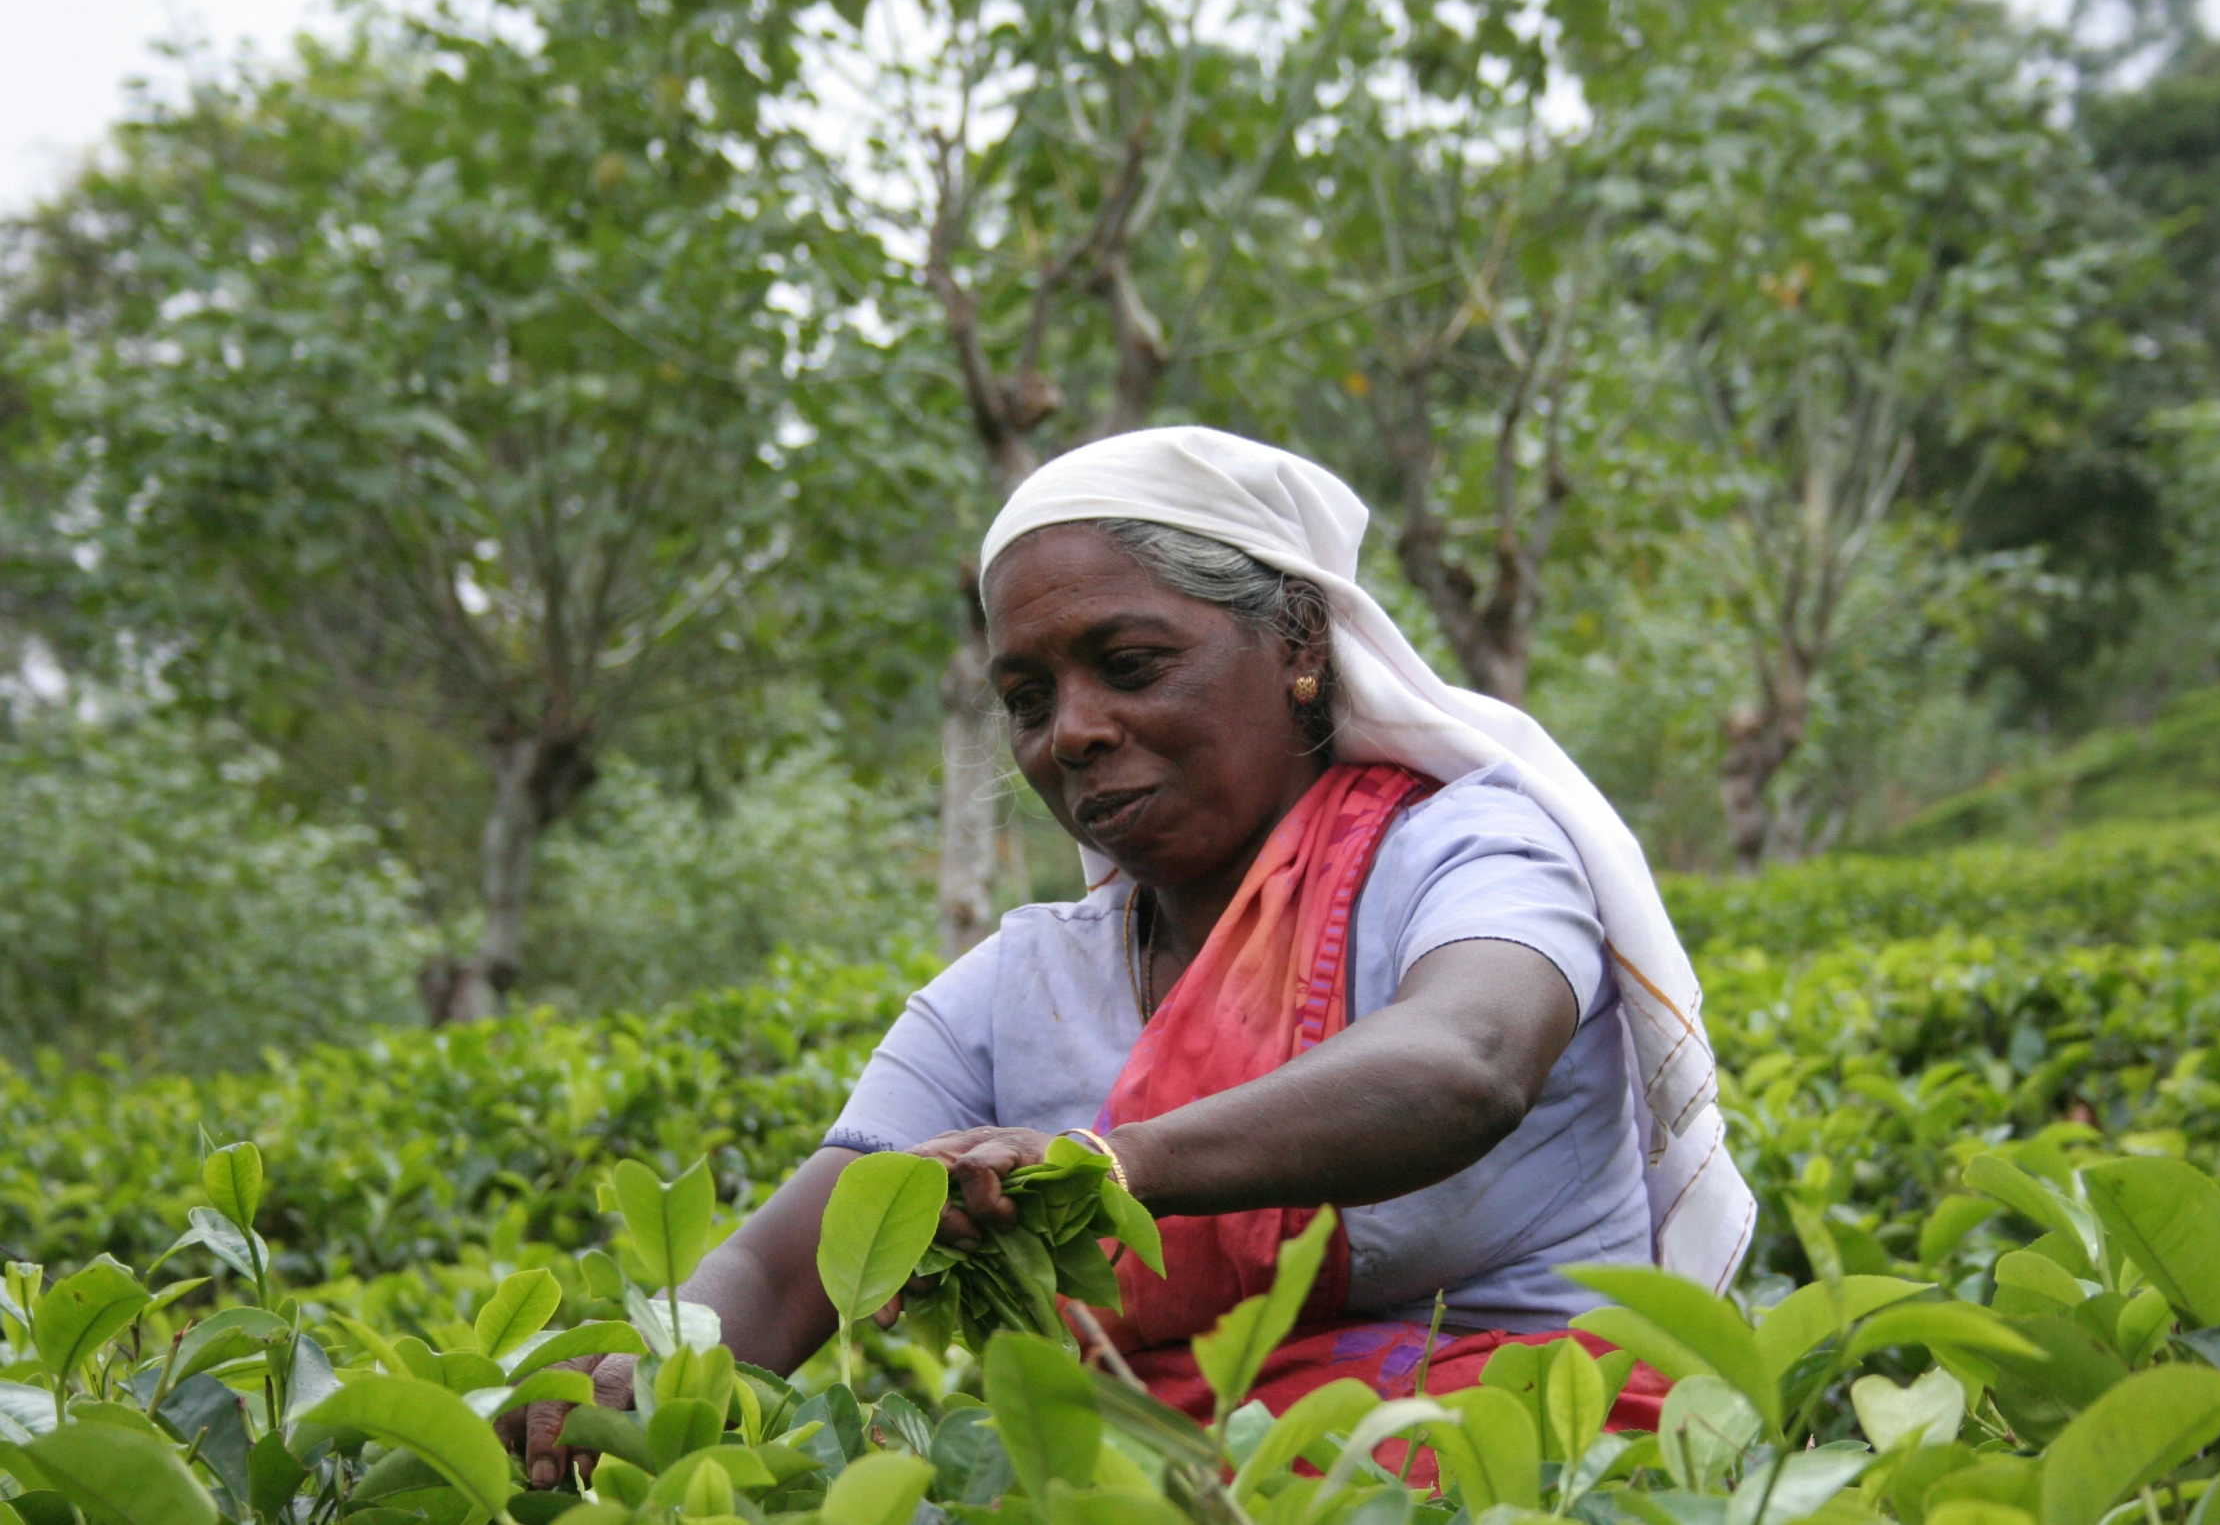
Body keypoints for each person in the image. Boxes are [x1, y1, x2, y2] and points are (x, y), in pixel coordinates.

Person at [508, 428, 1753, 1489]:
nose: (1074, 734)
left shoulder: (1466, 851)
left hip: (1516, 1464)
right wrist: (633, 1373)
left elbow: (1465, 1060)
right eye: (1028, 695)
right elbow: (785, 1271)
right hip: (1153, 1483)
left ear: (1300, 644)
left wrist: (1113, 1166)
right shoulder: (1015, 989)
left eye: (1129, 665)